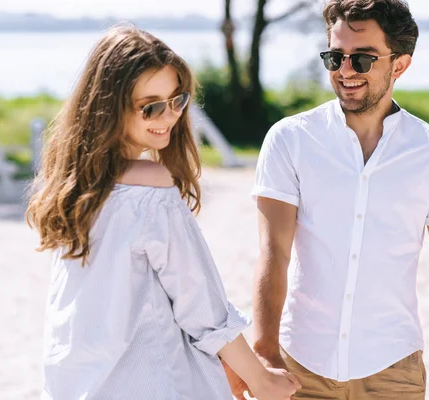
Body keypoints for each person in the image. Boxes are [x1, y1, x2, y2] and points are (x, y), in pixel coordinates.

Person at [26, 25, 300, 400]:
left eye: (177, 100)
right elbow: (201, 303)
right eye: (150, 106)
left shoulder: (74, 188)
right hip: (151, 379)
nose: (168, 116)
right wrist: (260, 378)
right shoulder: (148, 185)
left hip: (79, 383)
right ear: (108, 106)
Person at [227, 1, 429, 399]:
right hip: (300, 367)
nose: (345, 71)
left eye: (362, 59)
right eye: (334, 57)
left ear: (400, 65)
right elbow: (274, 251)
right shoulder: (290, 140)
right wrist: (264, 350)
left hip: (393, 371)